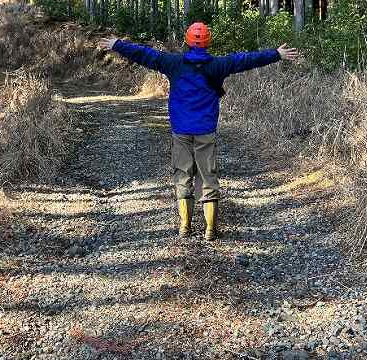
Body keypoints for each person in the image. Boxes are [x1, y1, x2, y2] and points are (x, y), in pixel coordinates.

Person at [98, 22, 299, 241]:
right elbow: (246, 59)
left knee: (182, 175)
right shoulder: (218, 65)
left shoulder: (173, 63)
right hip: (206, 131)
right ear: (207, 41)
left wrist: (118, 44)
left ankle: (185, 226)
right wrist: (276, 54)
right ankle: (210, 230)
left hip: (181, 130)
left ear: (187, 40)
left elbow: (145, 54)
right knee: (208, 177)